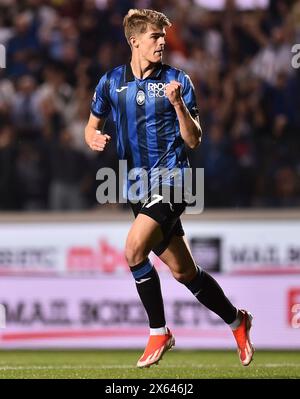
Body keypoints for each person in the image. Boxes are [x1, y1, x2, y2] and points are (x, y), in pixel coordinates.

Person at [84, 8, 254, 368]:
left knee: (132, 250)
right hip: (136, 188)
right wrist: (92, 137)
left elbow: (193, 140)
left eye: (163, 36)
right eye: (155, 37)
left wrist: (178, 105)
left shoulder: (178, 80)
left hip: (176, 181)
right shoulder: (110, 82)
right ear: (135, 42)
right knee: (184, 272)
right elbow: (91, 124)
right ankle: (238, 321)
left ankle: (159, 331)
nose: (163, 42)